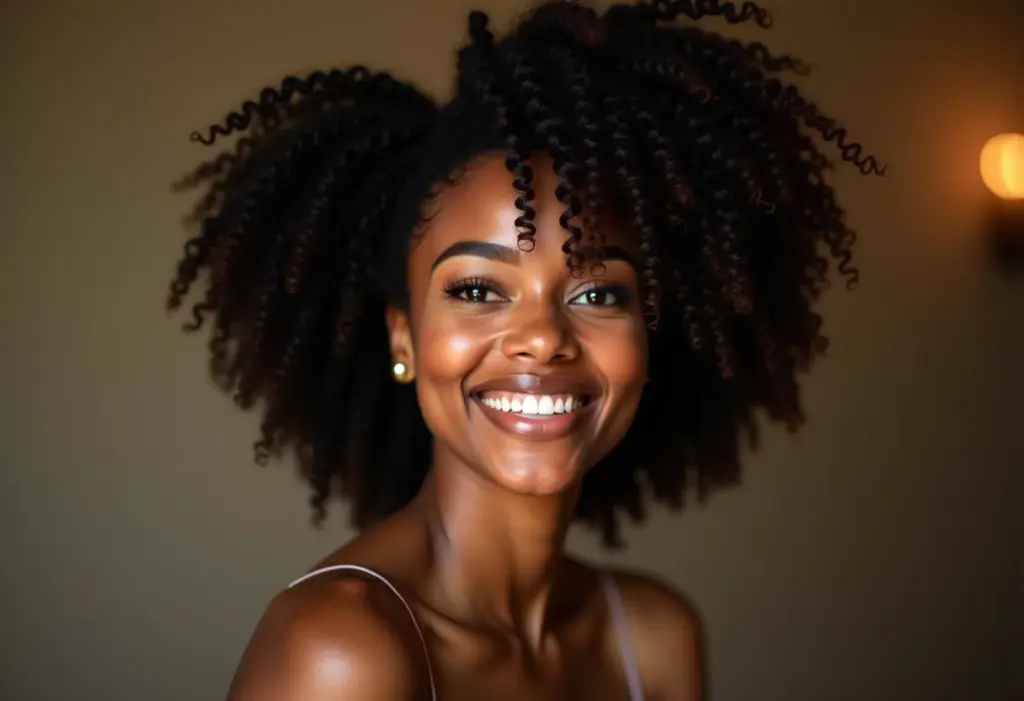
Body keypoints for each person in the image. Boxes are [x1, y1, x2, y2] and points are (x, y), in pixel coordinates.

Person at [167, 1, 881, 699]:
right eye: (478, 289)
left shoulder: (655, 637)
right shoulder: (341, 651)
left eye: (599, 294)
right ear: (403, 337)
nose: (542, 336)